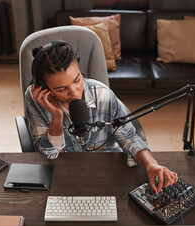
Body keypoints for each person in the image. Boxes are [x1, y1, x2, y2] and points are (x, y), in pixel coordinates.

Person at [25, 40, 178, 193]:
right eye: (61, 88)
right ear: (44, 88)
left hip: (109, 172)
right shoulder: (37, 100)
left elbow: (129, 137)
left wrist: (151, 163)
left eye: (77, 80)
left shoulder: (102, 94)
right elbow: (49, 154)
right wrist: (56, 117)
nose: (74, 92)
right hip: (66, 176)